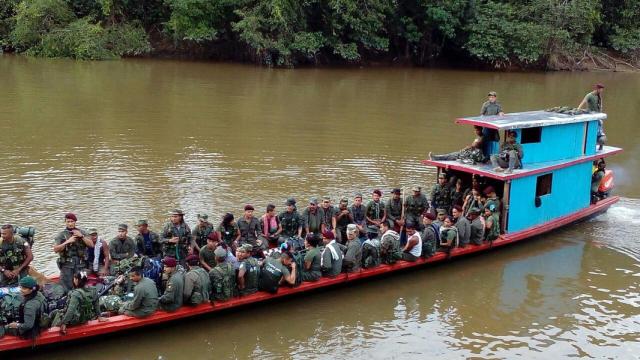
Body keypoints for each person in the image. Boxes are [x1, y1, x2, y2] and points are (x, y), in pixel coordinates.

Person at [53, 213, 94, 292]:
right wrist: (67, 242)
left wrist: (81, 236)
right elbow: (55, 249)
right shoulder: (61, 235)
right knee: (65, 287)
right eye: (68, 221)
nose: (70, 223)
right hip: (67, 265)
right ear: (65, 222)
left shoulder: (82, 232)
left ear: (75, 222)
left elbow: (91, 245)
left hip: (81, 264)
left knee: (82, 284)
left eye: (72, 221)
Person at [578, 83, 607, 149]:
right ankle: (589, 145)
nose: (602, 91)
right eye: (601, 89)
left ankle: (600, 145)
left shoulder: (599, 96)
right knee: (591, 131)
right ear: (597, 89)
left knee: (599, 131)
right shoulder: (589, 95)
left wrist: (600, 113)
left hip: (597, 116)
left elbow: (600, 105)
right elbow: (583, 102)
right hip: (591, 116)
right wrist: (577, 110)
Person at [480, 91, 504, 157]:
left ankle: (496, 155)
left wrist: (501, 113)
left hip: (494, 125)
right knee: (485, 140)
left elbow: (500, 112)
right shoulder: (485, 104)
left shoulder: (498, 104)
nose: (491, 98)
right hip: (487, 125)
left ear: (495, 98)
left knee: (497, 139)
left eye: (492, 97)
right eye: (490, 97)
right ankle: (484, 155)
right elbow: (482, 114)